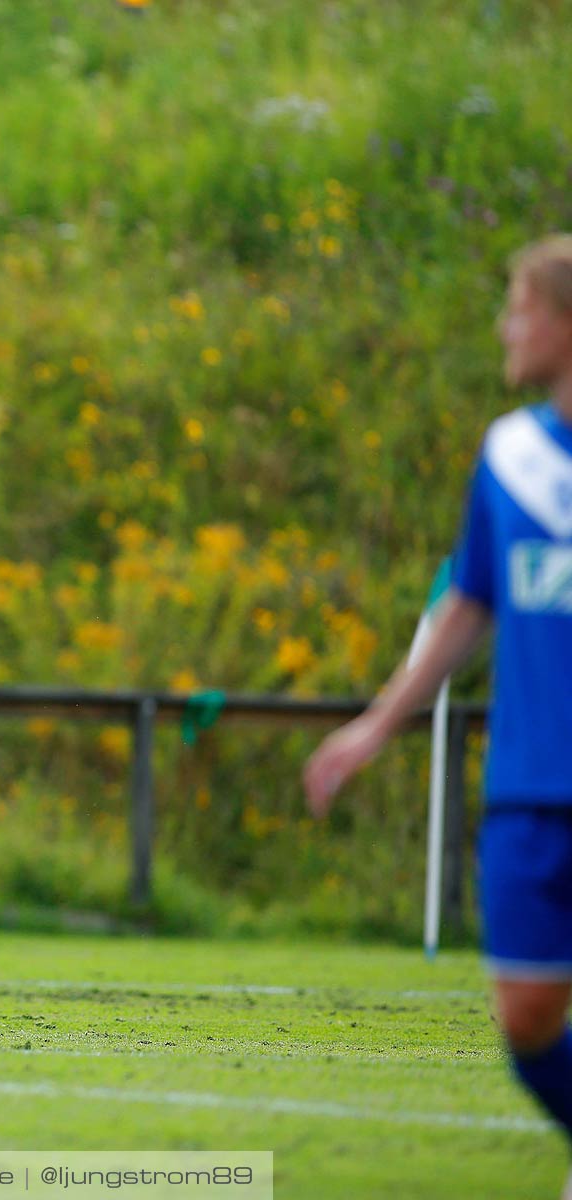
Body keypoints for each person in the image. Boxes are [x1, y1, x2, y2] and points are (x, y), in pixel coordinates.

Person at [304, 235, 572, 1173]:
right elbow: (469, 603)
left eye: (520, 308)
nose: (506, 327)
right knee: (527, 1023)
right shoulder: (511, 458)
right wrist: (378, 723)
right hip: (530, 789)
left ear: (565, 324)